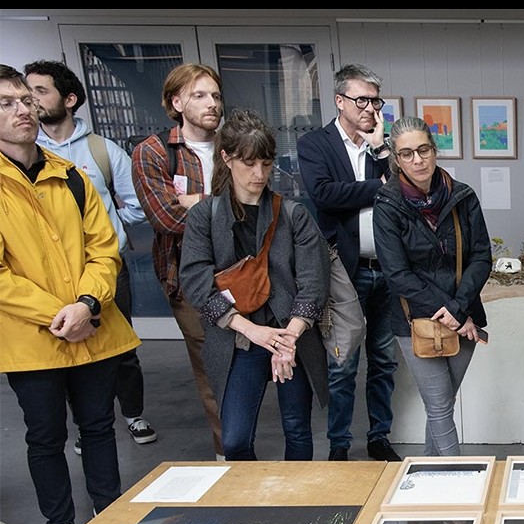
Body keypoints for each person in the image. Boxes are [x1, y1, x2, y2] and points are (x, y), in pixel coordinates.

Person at [0, 65, 140, 524]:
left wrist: (85, 304)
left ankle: (109, 513)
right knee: (45, 436)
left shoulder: (74, 177)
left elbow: (105, 250)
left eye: (25, 100)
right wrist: (58, 314)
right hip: (33, 340)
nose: (24, 109)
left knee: (99, 427)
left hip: (92, 326)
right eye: (7, 103)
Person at [178, 108, 329, 461]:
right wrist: (253, 331)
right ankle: (251, 507)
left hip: (290, 334)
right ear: (227, 159)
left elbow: (313, 283)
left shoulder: (293, 214)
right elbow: (197, 284)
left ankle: (298, 504)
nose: (259, 174)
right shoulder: (205, 216)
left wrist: (288, 339)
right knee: (234, 439)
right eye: (249, 163)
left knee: (297, 429)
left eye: (266, 163)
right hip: (237, 338)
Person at [24, 59, 157, 453]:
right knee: (68, 351)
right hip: (49, 276)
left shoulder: (101, 150)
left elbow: (136, 205)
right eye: (26, 92)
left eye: (40, 91)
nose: (31, 101)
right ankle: (87, 424)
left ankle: (133, 414)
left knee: (121, 349)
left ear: (68, 99)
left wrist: (110, 223)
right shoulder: (26, 154)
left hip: (105, 268)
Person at [297, 63, 400, 462]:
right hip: (345, 271)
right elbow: (325, 195)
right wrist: (381, 188)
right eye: (362, 99)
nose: (371, 108)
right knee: (342, 364)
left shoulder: (382, 146)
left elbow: (405, 190)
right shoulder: (316, 144)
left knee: (384, 362)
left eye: (376, 100)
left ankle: (379, 437)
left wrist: (381, 149)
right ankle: (339, 445)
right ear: (340, 101)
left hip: (387, 270)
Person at [373, 116, 491, 456]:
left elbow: (482, 256)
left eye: (423, 150)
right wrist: (451, 312)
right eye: (407, 153)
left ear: (435, 151)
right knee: (439, 408)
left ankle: (429, 473)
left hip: (464, 315)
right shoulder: (387, 204)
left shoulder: (463, 196)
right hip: (415, 322)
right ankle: (460, 480)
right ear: (396, 159)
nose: (417, 160)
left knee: (442, 403)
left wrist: (458, 309)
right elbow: (397, 275)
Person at [130, 63, 225, 457]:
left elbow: (257, 210)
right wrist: (221, 206)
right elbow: (167, 218)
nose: (212, 104)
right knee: (212, 369)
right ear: (176, 101)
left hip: (243, 274)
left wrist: (197, 203)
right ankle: (229, 455)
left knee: (251, 367)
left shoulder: (232, 145)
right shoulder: (153, 152)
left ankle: (243, 444)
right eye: (200, 95)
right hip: (188, 281)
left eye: (216, 96)